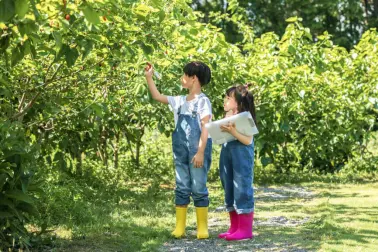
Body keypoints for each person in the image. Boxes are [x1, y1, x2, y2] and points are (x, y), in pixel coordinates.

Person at [144, 61, 213, 239]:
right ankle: (180, 227)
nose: (181, 78)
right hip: (180, 151)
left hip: (198, 150)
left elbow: (206, 128)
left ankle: (202, 227)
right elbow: (157, 96)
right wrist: (149, 77)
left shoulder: (203, 102)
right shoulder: (180, 101)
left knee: (198, 187)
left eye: (184, 75)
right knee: (182, 186)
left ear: (193, 78)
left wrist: (200, 151)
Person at [218, 84, 257, 241]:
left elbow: (248, 140)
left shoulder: (245, 117)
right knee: (229, 188)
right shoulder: (229, 116)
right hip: (227, 155)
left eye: (229, 98)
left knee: (242, 189)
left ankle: (245, 229)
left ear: (239, 102)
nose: (225, 100)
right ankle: (234, 227)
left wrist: (233, 131)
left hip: (241, 157)